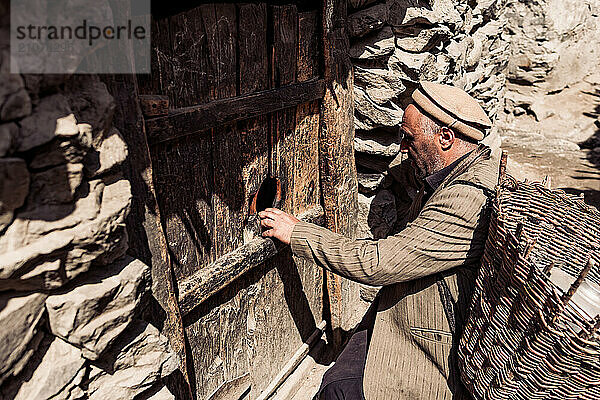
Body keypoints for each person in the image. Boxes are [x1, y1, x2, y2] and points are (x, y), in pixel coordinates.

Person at [259, 81, 499, 399]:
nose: (402, 147)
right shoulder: (461, 168)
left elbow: (377, 265)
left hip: (433, 338)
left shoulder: (466, 198)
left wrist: (298, 232)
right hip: (409, 306)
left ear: (445, 138)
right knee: (344, 368)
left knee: (339, 390)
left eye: (409, 138)